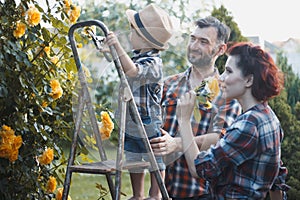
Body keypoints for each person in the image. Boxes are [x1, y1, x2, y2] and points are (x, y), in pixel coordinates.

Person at [176, 42, 289, 199]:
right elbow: (277, 176)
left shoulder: (248, 125)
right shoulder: (268, 116)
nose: (221, 78)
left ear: (249, 80)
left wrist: (184, 121)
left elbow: (200, 169)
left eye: (228, 71)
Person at [150, 16, 241, 199]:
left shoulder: (227, 92)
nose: (193, 46)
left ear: (221, 49)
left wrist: (175, 144)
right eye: (193, 38)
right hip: (164, 191)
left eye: (203, 42)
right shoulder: (169, 85)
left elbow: (220, 139)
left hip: (203, 193)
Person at [104, 4, 173, 200]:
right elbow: (123, 66)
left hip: (149, 121)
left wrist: (116, 46)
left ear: (144, 38)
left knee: (154, 158)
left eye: (132, 32)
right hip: (132, 121)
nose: (129, 37)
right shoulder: (137, 57)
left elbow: (133, 71)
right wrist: (107, 51)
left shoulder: (154, 63)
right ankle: (138, 195)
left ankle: (155, 194)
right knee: (133, 155)